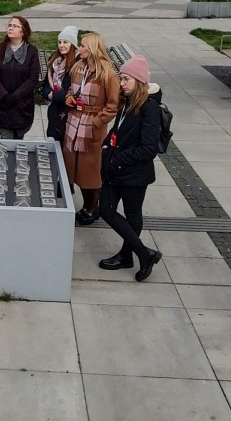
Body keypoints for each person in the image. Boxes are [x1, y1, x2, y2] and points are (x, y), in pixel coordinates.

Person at [98, 55, 164, 281]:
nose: (122, 83)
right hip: (115, 170)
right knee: (105, 209)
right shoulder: (126, 102)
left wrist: (117, 158)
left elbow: (149, 148)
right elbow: (117, 131)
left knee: (132, 213)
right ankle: (144, 253)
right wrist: (107, 144)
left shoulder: (149, 108)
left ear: (138, 81)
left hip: (134, 174)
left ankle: (131, 254)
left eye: (126, 79)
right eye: (121, 78)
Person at [62, 32, 120, 225]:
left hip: (91, 128)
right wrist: (69, 98)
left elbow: (113, 106)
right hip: (74, 124)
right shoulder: (78, 67)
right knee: (75, 167)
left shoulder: (108, 74)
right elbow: (72, 90)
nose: (79, 48)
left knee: (90, 171)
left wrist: (96, 122)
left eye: (83, 46)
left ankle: (92, 207)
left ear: (93, 48)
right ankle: (87, 205)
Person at [0, 15, 41, 140]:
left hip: (21, 106)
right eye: (9, 25)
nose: (10, 28)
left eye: (15, 26)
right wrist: (4, 95)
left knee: (18, 144)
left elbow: (32, 79)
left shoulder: (32, 51)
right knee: (6, 143)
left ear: (23, 31)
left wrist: (15, 96)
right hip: (3, 105)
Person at [42, 26, 78, 140]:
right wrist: (49, 94)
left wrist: (54, 96)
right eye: (59, 42)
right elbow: (45, 87)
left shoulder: (78, 64)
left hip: (68, 114)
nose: (61, 45)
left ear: (72, 44)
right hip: (53, 112)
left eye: (65, 42)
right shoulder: (55, 60)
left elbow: (75, 91)